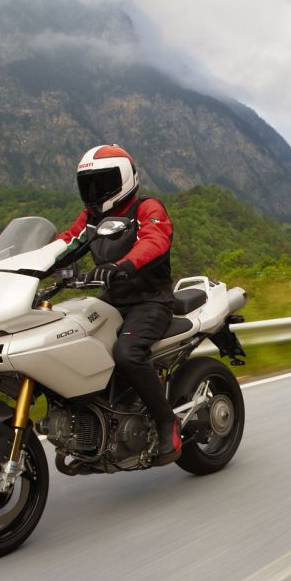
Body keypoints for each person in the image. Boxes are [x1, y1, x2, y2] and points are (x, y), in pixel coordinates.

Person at [56, 144, 181, 466]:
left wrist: (120, 266)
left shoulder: (146, 207)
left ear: (124, 179)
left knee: (127, 353)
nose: (95, 191)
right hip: (112, 301)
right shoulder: (92, 217)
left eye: (103, 182)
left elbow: (156, 240)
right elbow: (67, 241)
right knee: (73, 343)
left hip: (150, 302)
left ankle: (167, 422)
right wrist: (26, 262)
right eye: (90, 183)